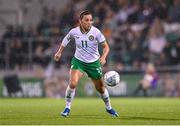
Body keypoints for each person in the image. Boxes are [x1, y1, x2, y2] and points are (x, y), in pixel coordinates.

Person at [54, 10, 118, 117]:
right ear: (80, 21)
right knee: (73, 83)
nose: (89, 22)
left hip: (94, 63)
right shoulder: (74, 32)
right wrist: (59, 52)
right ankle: (67, 108)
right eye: (86, 20)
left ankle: (109, 107)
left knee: (100, 88)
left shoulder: (96, 32)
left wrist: (103, 57)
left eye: (90, 20)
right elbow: (66, 39)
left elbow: (106, 47)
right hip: (79, 61)